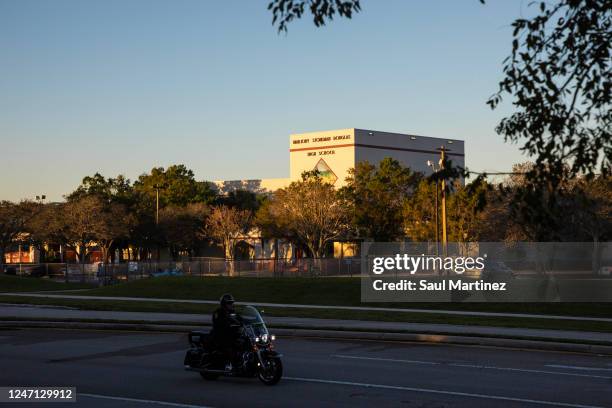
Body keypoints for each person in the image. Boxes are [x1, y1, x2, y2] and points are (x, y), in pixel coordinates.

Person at [211, 293, 238, 370]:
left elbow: (240, 319)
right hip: (220, 335)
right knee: (228, 347)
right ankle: (228, 364)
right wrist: (227, 324)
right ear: (224, 304)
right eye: (229, 303)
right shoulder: (218, 312)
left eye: (231, 302)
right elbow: (218, 323)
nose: (231, 304)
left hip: (230, 334)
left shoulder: (232, 312)